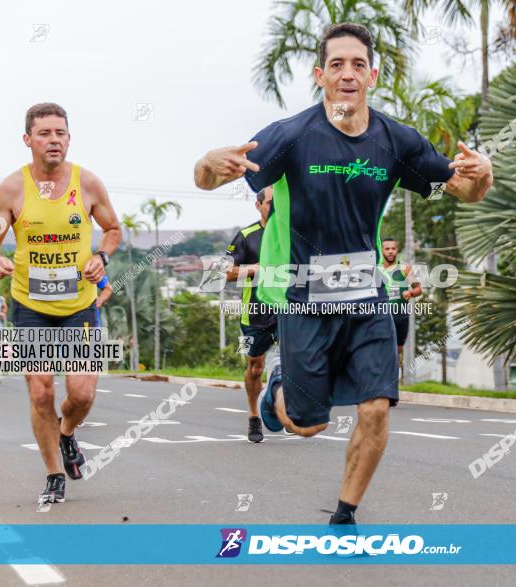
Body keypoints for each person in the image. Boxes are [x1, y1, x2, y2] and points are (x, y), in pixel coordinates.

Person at [194, 23, 492, 525]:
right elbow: (207, 178)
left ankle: (345, 512)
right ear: (320, 75)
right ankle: (279, 388)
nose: (348, 74)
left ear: (372, 75)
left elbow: (463, 190)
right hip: (304, 296)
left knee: (376, 407)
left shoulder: (397, 141)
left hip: (367, 295)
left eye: (358, 64)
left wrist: (483, 177)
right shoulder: (290, 136)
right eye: (337, 65)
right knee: (307, 425)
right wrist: (205, 164)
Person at [0, 103, 121, 505]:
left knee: (82, 395)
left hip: (78, 304)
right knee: (41, 391)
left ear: (69, 138)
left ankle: (67, 433)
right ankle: (54, 473)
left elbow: (112, 229)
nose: (53, 139)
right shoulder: (11, 189)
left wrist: (102, 257)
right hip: (30, 304)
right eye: (44, 133)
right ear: (28, 140)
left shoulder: (88, 184)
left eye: (60, 132)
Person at [225, 186, 278, 443]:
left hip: (289, 308)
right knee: (255, 368)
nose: (275, 206)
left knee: (298, 359)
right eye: (270, 202)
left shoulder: (292, 232)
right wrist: (252, 268)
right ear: (258, 205)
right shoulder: (246, 236)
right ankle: (254, 415)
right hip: (256, 312)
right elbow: (224, 272)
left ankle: (283, 404)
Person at [380, 237, 422, 364]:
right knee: (381, 347)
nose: (391, 251)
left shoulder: (405, 268)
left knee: (398, 349)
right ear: (382, 250)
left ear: (397, 250)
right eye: (387, 249)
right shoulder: (376, 268)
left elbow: (419, 289)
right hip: (382, 315)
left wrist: (410, 292)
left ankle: (395, 378)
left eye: (393, 248)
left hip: (400, 316)